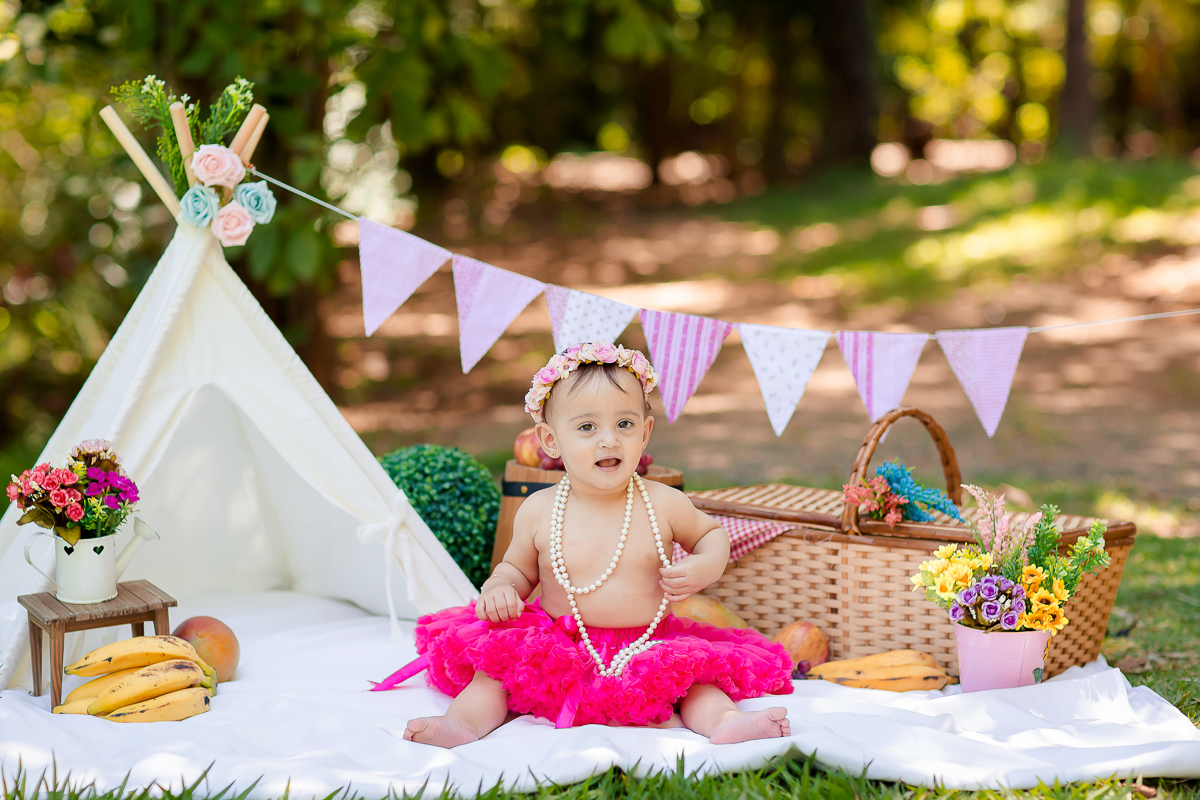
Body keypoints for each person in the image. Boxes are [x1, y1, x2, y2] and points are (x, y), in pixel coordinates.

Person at [394, 342, 793, 747]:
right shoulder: (539, 510)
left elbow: (711, 535)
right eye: (587, 428)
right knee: (495, 672)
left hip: (646, 642)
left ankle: (724, 722)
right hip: (558, 644)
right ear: (550, 441)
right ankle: (464, 723)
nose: (609, 441)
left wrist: (705, 565)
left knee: (692, 681)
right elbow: (515, 569)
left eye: (624, 424)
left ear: (645, 431)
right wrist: (500, 588)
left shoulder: (663, 502)